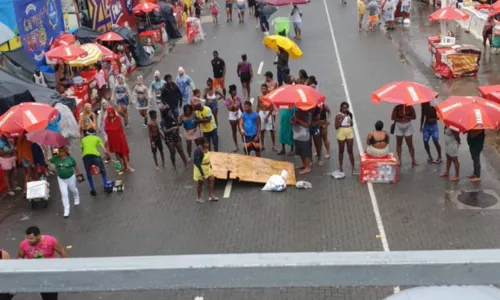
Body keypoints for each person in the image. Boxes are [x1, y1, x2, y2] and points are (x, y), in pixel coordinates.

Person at [17, 226, 68, 300]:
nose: (28, 241)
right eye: (27, 238)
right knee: (44, 294)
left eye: (31, 238)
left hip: (50, 272)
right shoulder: (23, 244)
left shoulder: (50, 240)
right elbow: (19, 258)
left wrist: (66, 268)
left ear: (38, 236)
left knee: (52, 294)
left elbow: (61, 251)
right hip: (37, 274)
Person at [51, 147, 82, 218]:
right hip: (61, 179)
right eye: (59, 151)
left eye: (62, 151)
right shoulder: (55, 158)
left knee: (73, 189)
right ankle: (66, 210)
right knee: (64, 194)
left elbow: (75, 166)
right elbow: (48, 162)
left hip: (71, 177)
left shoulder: (70, 158)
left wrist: (78, 174)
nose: (61, 153)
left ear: (65, 151)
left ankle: (76, 197)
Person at [81, 128, 110, 196]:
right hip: (95, 156)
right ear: (94, 133)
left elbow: (82, 150)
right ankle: (106, 186)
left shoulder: (83, 140)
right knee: (102, 170)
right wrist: (107, 155)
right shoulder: (97, 138)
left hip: (86, 157)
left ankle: (93, 190)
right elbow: (104, 150)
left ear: (87, 133)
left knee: (88, 173)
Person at [105, 107, 134, 173]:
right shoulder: (107, 120)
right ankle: (120, 165)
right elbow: (106, 129)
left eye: (111, 113)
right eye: (109, 114)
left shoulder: (117, 119)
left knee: (124, 152)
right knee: (117, 152)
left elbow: (118, 128)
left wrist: (111, 129)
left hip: (120, 138)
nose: (110, 115)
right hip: (112, 139)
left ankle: (127, 166)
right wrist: (112, 129)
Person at [193, 137, 218, 203]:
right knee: (200, 184)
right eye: (206, 143)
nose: (208, 144)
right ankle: (199, 197)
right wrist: (202, 174)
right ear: (202, 144)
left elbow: (208, 158)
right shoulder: (198, 151)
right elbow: (197, 163)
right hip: (200, 169)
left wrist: (210, 166)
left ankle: (211, 196)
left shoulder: (207, 148)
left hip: (207, 168)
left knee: (212, 179)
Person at [335, 102, 356, 174]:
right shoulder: (338, 115)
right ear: (341, 108)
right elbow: (336, 127)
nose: (345, 109)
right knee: (341, 150)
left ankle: (353, 168)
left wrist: (351, 122)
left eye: (346, 108)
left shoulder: (350, 114)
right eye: (344, 108)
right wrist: (341, 119)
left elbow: (352, 124)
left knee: (350, 150)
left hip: (349, 131)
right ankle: (340, 166)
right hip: (341, 131)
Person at [292, 109, 312, 174]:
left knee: (305, 152)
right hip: (296, 135)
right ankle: (304, 165)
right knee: (300, 152)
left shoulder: (308, 114)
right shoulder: (296, 112)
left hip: (304, 136)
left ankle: (307, 167)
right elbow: (292, 121)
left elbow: (307, 125)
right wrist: (293, 122)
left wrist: (297, 120)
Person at [257, 84, 276, 151]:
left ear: (267, 89)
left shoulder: (270, 97)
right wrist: (257, 115)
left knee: (271, 130)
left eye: (264, 88)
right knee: (262, 130)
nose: (263, 90)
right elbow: (258, 106)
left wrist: (267, 117)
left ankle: (274, 145)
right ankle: (262, 145)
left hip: (268, 113)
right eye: (262, 88)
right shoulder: (259, 97)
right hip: (261, 113)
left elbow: (271, 108)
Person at [225, 85, 243, 152]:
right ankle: (236, 145)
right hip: (232, 115)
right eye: (233, 93)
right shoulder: (228, 100)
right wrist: (233, 101)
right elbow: (229, 108)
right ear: (230, 93)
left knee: (241, 129)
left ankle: (244, 143)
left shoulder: (238, 98)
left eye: (235, 93)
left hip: (239, 113)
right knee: (234, 131)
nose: (235, 94)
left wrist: (244, 114)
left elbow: (241, 107)